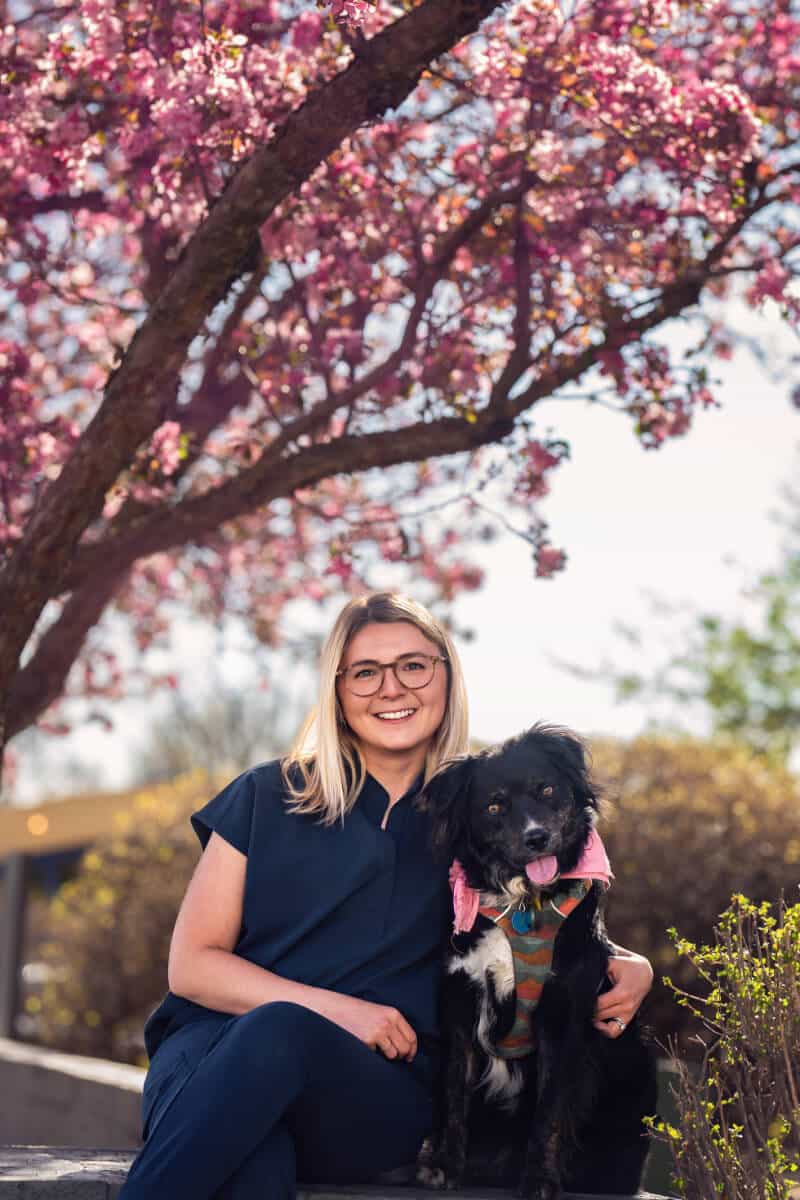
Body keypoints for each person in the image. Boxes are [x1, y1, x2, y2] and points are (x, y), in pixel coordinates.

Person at [119, 592, 652, 1200]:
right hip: (210, 1060)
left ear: (446, 676)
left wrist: (633, 963)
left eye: (413, 666)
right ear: (338, 691)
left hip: (373, 1091)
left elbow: (556, 918)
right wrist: (339, 1010)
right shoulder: (267, 794)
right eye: (366, 672)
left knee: (279, 1042)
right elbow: (192, 965)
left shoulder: (477, 813)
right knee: (254, 1167)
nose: (391, 688)